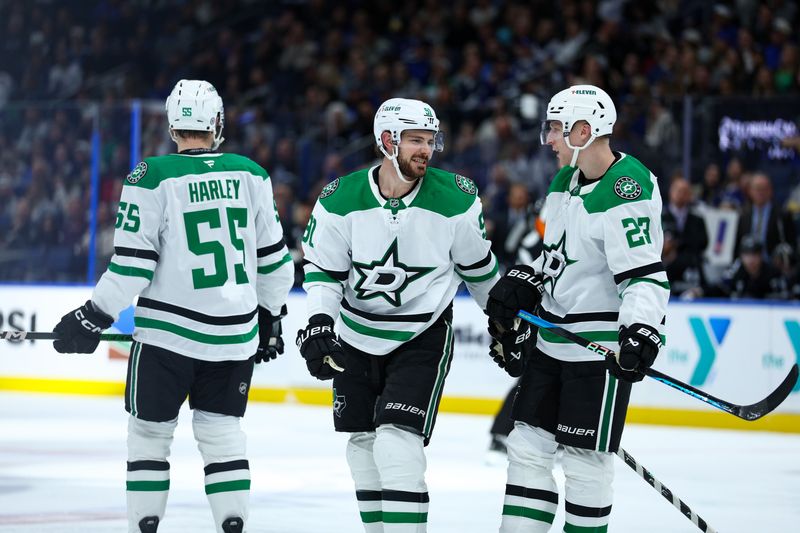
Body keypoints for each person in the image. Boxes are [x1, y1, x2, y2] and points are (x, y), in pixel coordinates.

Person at [51, 79, 294, 533]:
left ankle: (144, 527)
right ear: (217, 122)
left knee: (149, 436)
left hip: (166, 340)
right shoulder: (251, 173)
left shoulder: (153, 175)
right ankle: (233, 526)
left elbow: (132, 269)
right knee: (222, 436)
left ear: (172, 124)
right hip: (234, 338)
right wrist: (270, 318)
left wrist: (93, 315)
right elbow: (277, 264)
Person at [296, 97, 500, 532]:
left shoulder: (456, 200)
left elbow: (480, 274)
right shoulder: (339, 199)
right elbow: (323, 274)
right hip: (353, 335)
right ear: (387, 141)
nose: (426, 149)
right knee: (363, 446)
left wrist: (503, 325)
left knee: (397, 444)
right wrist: (318, 321)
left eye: (430, 140)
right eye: (415, 140)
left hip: (421, 335)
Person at [485, 85, 669, 532]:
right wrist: (528, 280)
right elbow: (556, 258)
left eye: (554, 129)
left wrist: (641, 330)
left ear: (583, 131)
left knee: (586, 463)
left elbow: (643, 274)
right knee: (526, 447)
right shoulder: (562, 182)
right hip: (551, 342)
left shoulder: (628, 188)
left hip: (598, 348)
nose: (547, 139)